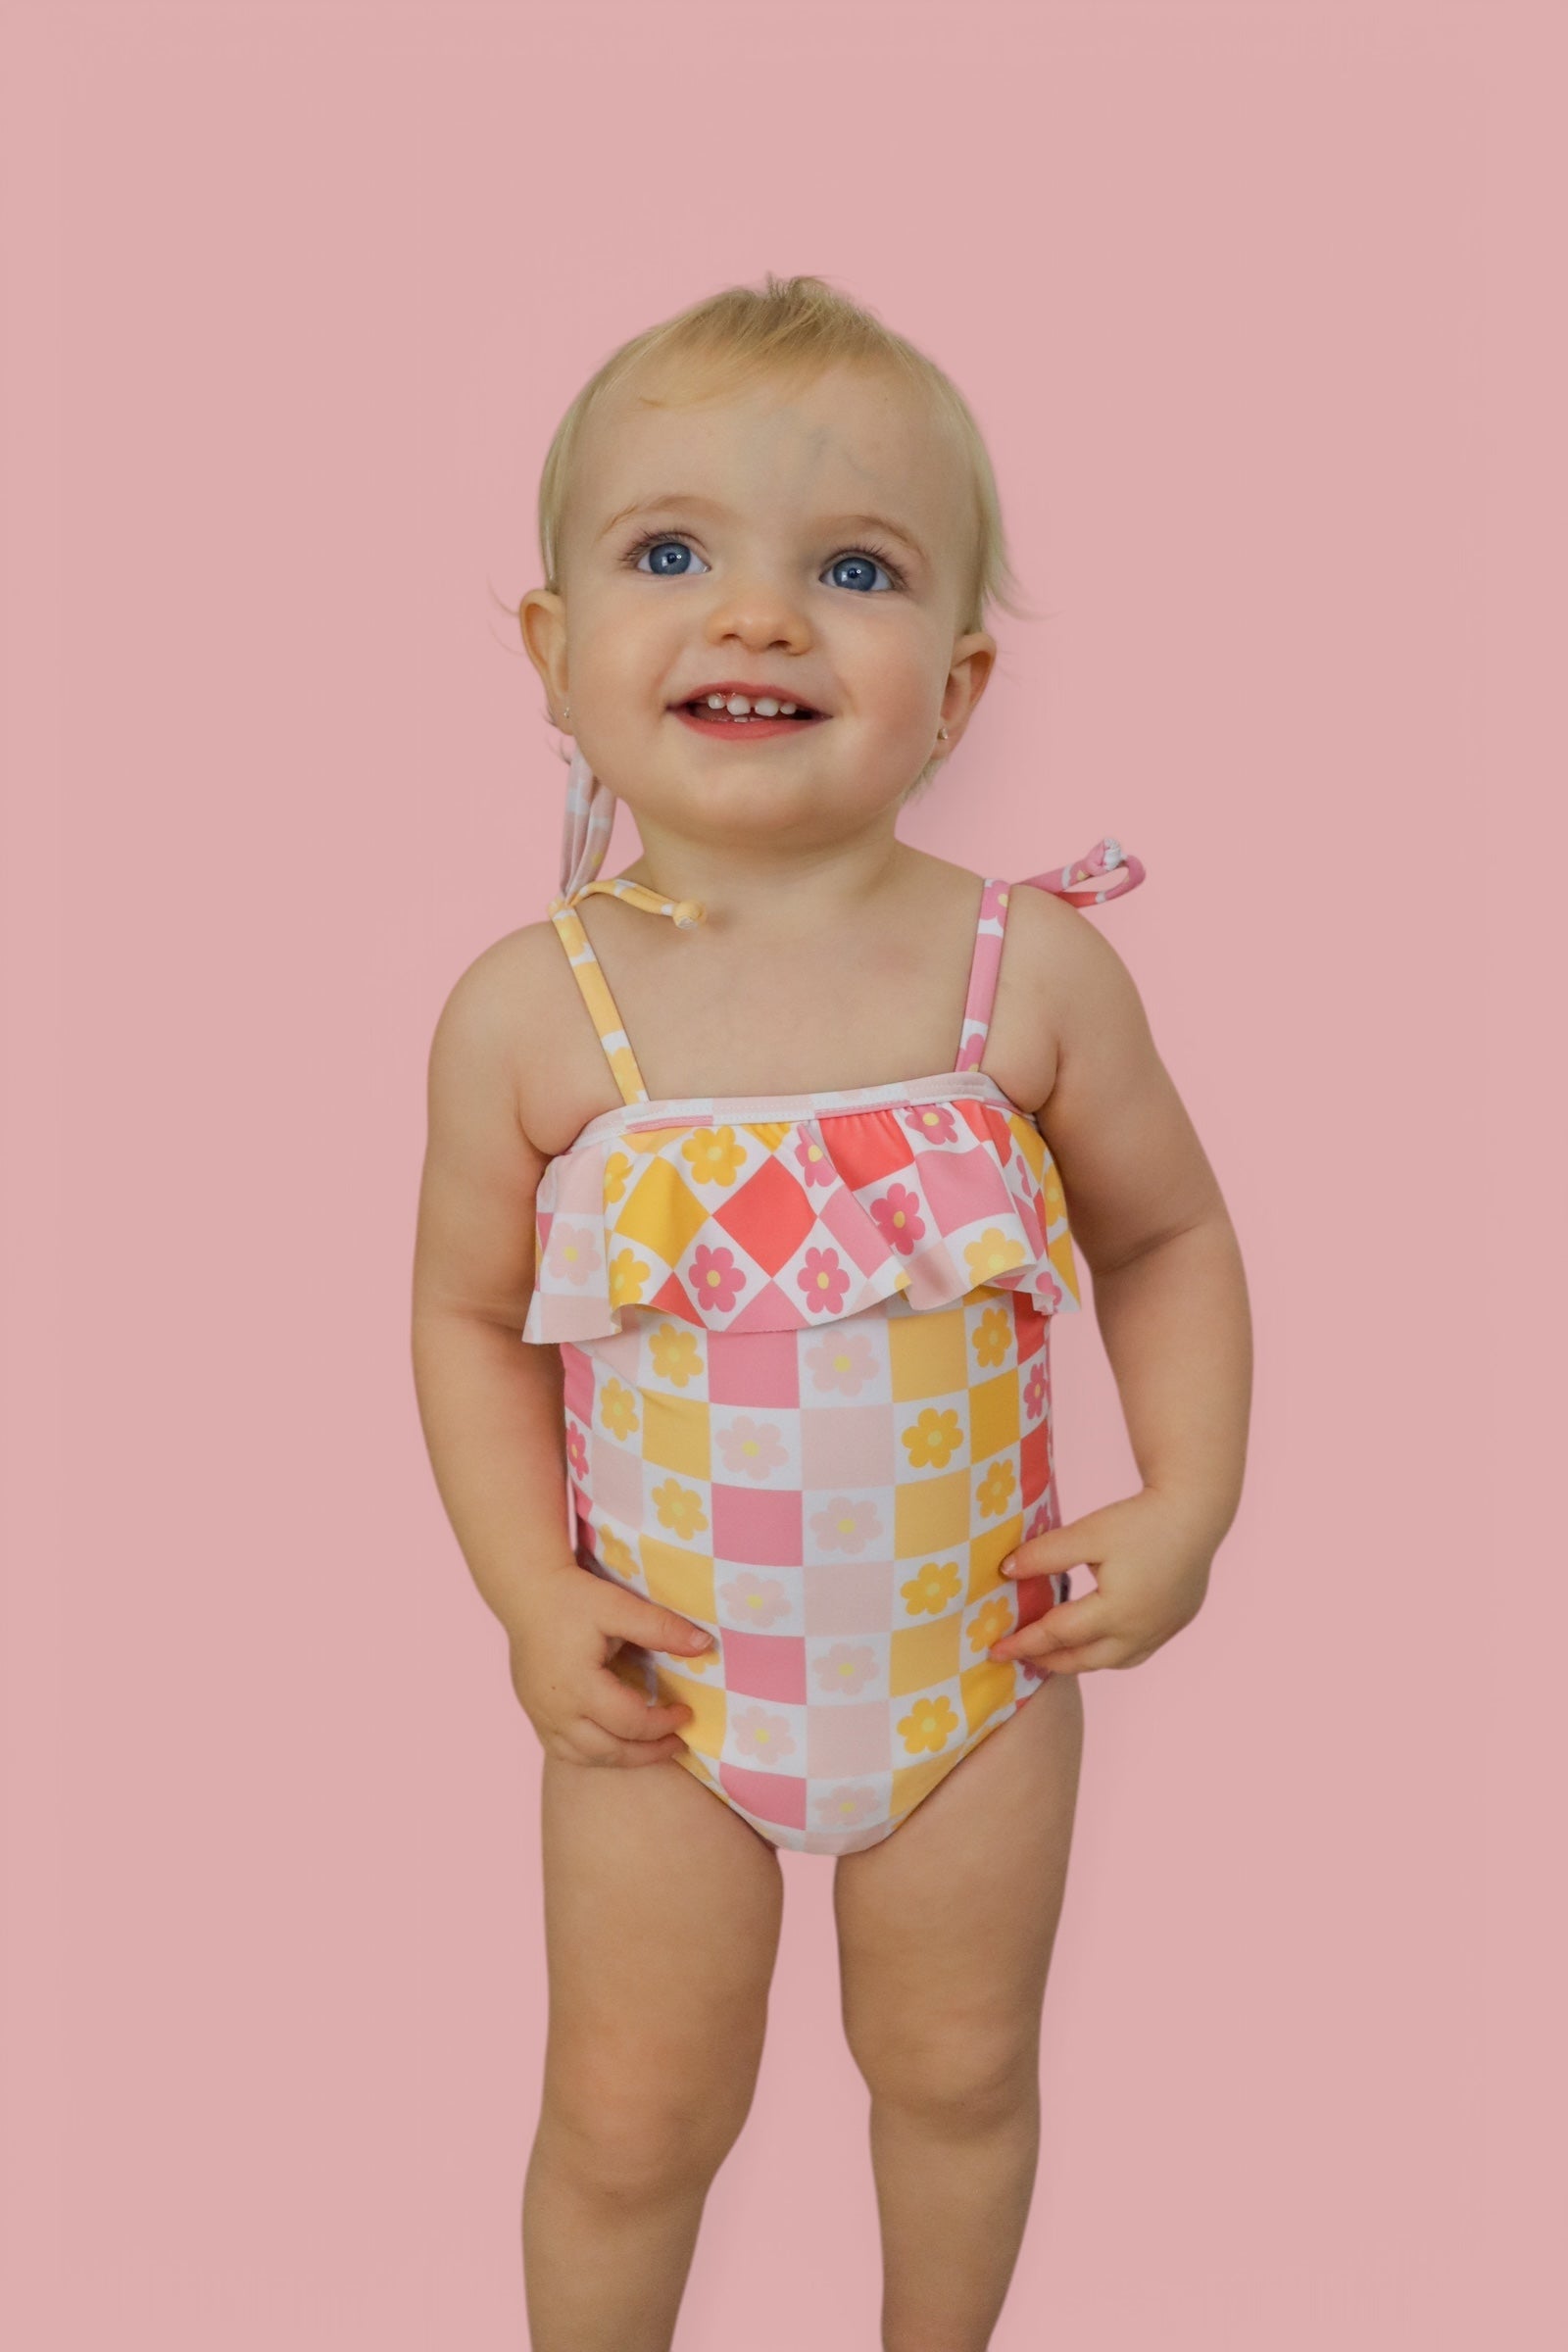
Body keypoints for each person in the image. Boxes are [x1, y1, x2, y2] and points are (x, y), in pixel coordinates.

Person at [411, 270, 1251, 2352]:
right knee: (627, 2121)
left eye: (851, 570)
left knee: (956, 2082)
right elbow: (467, 1317)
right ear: (552, 654)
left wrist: (1188, 1501)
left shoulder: (1024, 974)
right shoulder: (533, 1012)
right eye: (669, 553)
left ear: (954, 691)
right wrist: (529, 1592)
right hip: (666, 1701)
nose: (761, 616)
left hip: (973, 1680)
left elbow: (1163, 1239)